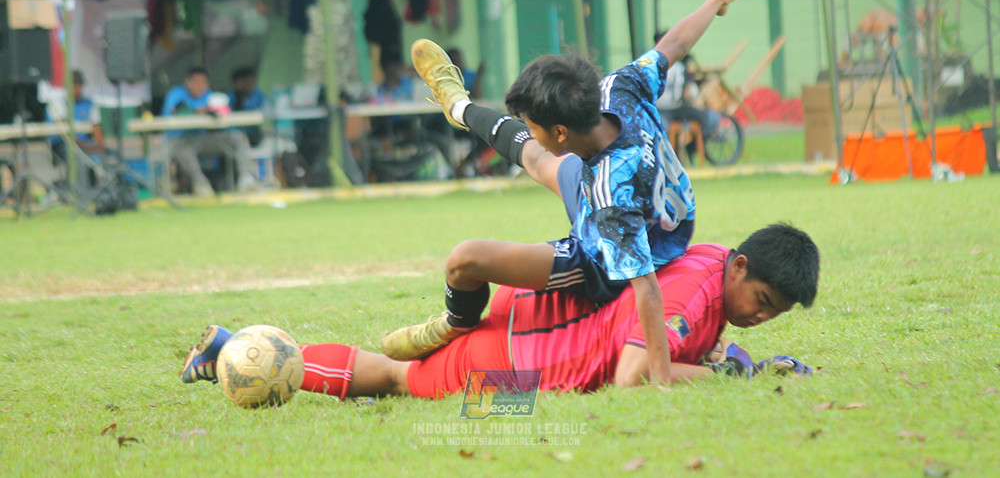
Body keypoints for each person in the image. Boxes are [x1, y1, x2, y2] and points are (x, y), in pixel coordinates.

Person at [380, 0, 760, 386]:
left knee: (465, 259)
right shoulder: (620, 88)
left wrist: (661, 375)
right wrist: (712, 3)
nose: (531, 131)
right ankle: (459, 105)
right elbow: (675, 44)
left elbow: (646, 287)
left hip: (601, 262)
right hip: (642, 201)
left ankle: (457, 322)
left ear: (561, 132)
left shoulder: (610, 199)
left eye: (533, 126)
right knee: (535, 157)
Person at [179, 223, 819, 396]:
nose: (761, 317)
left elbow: (683, 334)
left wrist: (737, 357)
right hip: (524, 370)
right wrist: (733, 374)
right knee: (398, 378)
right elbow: (633, 376)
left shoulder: (709, 259)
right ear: (740, 267)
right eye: (762, 302)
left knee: (403, 371)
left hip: (532, 319)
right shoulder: (696, 292)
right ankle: (232, 352)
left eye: (774, 314)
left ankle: (230, 348)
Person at [161, 67, 257, 196]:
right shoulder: (176, 94)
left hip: (203, 139)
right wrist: (200, 111)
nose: (200, 86)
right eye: (196, 82)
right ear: (188, 83)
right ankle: (201, 185)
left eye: (203, 82)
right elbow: (177, 111)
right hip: (180, 140)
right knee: (183, 149)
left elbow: (222, 112)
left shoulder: (210, 96)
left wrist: (217, 112)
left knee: (238, 137)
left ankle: (246, 180)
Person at [47, 69, 106, 187]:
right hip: (63, 146)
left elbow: (97, 129)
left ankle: (103, 190)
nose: (77, 89)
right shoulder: (58, 104)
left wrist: (100, 147)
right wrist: (85, 147)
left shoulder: (89, 104)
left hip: (86, 145)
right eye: (74, 85)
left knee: (109, 156)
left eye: (79, 85)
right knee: (79, 159)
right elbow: (65, 134)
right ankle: (82, 192)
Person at [228, 67, 266, 148]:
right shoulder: (231, 96)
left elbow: (259, 109)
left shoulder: (257, 95)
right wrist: (239, 95)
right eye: (245, 81)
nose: (250, 84)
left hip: (252, 133)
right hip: (234, 134)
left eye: (251, 81)